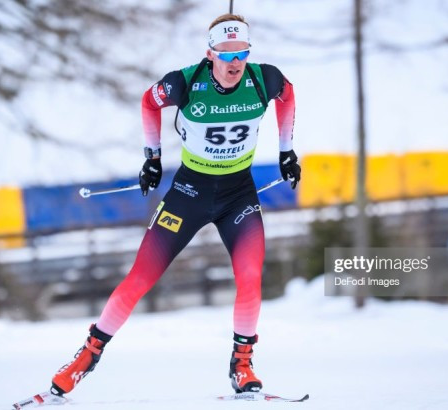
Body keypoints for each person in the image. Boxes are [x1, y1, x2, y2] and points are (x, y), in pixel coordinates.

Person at [50, 13, 300, 397]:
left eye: (242, 53)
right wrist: (152, 157)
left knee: (250, 277)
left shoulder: (262, 78)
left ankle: (242, 363)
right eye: (226, 54)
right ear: (210, 52)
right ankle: (86, 356)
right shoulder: (184, 82)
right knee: (140, 278)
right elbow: (148, 103)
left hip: (238, 194)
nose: (235, 63)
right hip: (189, 192)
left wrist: (286, 151)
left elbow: (288, 94)